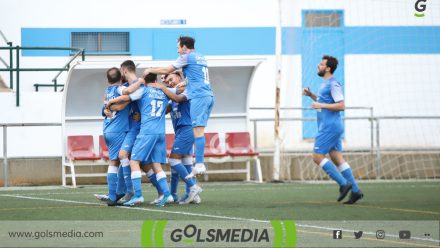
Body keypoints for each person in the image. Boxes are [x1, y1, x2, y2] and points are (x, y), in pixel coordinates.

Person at [143, 36, 214, 179]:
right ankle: (196, 168)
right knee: (198, 130)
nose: (177, 50)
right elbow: (197, 76)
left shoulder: (187, 57)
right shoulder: (200, 57)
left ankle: (199, 163)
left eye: (178, 47)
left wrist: (150, 69)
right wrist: (185, 82)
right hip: (208, 95)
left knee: (198, 131)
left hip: (199, 97)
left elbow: (168, 68)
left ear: (184, 47)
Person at [302, 55, 363, 204]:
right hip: (331, 126)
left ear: (328, 68)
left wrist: (321, 106)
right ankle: (355, 191)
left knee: (317, 156)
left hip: (329, 127)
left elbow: (341, 105)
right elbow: (324, 101)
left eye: (321, 64)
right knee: (336, 158)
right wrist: (311, 96)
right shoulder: (325, 84)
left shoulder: (333, 84)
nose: (318, 66)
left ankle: (344, 184)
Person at [108, 73, 172, 207]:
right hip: (160, 132)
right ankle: (166, 193)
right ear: (155, 80)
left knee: (133, 161)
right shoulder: (164, 91)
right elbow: (178, 95)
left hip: (146, 131)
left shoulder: (143, 90)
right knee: (155, 164)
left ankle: (137, 195)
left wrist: (110, 103)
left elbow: (127, 97)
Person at [150, 71, 202, 204]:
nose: (169, 83)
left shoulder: (186, 90)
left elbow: (179, 96)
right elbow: (163, 109)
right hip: (180, 131)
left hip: (187, 129)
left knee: (173, 160)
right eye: (167, 82)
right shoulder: (173, 95)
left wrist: (162, 87)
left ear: (179, 77)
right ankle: (189, 195)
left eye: (171, 79)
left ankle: (193, 186)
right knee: (185, 162)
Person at [102, 67, 130, 206]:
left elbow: (105, 107)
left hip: (108, 129)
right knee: (116, 161)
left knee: (118, 161)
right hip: (117, 130)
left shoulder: (107, 91)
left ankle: (117, 193)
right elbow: (126, 93)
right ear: (120, 79)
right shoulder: (119, 89)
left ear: (108, 80)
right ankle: (114, 196)